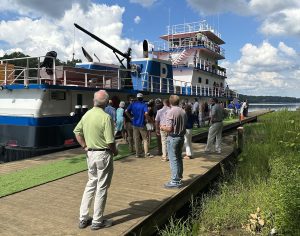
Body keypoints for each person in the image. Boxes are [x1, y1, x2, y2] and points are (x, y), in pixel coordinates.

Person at [73, 90, 118, 230]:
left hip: (90, 154)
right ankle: (97, 221)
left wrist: (84, 146)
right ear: (106, 103)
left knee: (91, 184)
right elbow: (110, 141)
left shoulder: (87, 115)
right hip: (103, 154)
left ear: (94, 101)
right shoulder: (106, 117)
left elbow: (76, 132)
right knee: (102, 187)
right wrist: (115, 150)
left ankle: (83, 217)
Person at [161, 95, 187, 188]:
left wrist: (162, 127)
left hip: (173, 138)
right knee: (179, 158)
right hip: (181, 137)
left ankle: (175, 181)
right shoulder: (183, 111)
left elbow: (169, 128)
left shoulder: (170, 112)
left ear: (170, 102)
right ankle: (178, 177)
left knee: (173, 159)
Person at [126, 93, 152, 158]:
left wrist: (131, 118)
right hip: (142, 124)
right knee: (145, 139)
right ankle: (146, 153)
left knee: (136, 139)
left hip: (134, 124)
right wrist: (148, 120)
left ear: (137, 98)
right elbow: (146, 113)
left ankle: (137, 154)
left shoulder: (132, 104)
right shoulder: (144, 105)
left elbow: (126, 111)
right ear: (142, 98)